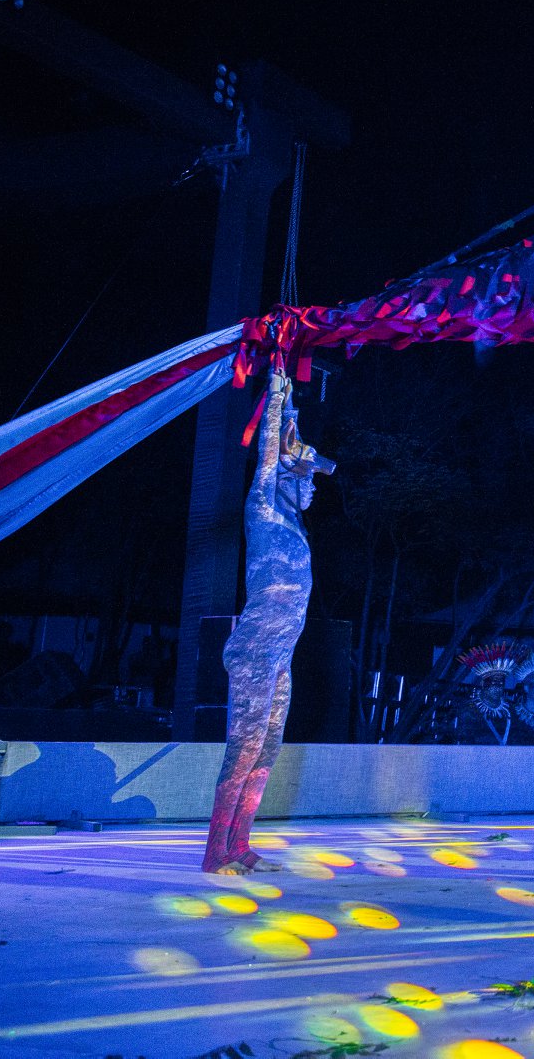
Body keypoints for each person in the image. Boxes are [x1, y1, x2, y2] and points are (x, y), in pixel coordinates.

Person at [202, 373, 335, 875]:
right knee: (243, 749)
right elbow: (268, 454)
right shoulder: (263, 509)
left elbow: (292, 449)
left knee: (267, 751)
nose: (311, 487)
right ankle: (215, 853)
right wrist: (278, 397)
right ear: (285, 478)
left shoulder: (296, 528)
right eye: (305, 478)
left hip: (281, 654)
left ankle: (240, 845)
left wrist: (295, 412)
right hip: (256, 650)